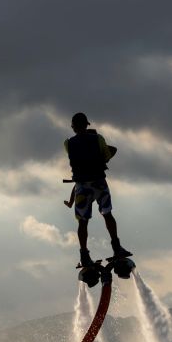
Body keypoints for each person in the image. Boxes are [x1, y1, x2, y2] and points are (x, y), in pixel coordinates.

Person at [64, 112, 133, 268]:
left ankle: (84, 255)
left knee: (83, 222)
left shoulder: (68, 144)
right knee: (107, 214)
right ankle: (117, 248)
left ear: (73, 127)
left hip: (82, 186)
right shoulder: (98, 139)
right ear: (86, 125)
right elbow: (107, 155)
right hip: (99, 184)